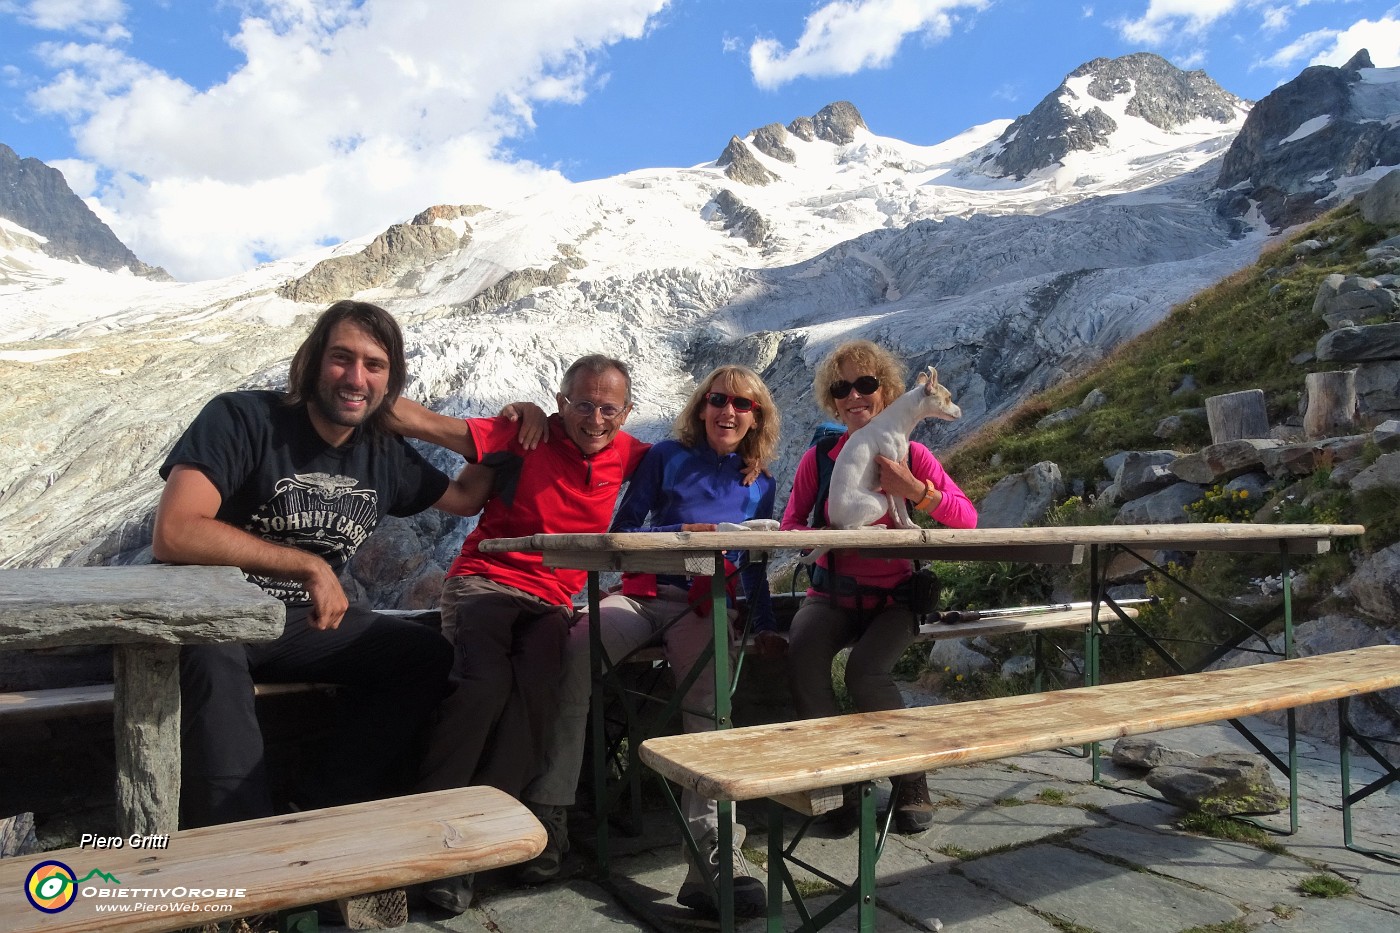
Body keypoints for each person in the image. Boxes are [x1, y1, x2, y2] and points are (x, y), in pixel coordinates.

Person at [154, 300, 506, 829]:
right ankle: (240, 847)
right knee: (210, 658)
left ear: (391, 383)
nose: (355, 377)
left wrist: (463, 430)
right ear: (313, 361)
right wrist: (308, 566)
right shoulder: (243, 418)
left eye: (374, 366)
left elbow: (464, 497)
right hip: (209, 614)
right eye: (342, 358)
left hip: (299, 625)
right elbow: (176, 530)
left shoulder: (381, 452)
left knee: (424, 656)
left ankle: (321, 809)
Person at [519, 364, 781, 917]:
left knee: (709, 707)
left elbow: (754, 564)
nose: (728, 412)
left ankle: (710, 855)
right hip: (643, 594)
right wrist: (691, 539)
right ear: (702, 407)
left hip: (705, 605)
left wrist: (761, 623)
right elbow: (626, 527)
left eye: (742, 404)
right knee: (576, 651)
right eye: (718, 400)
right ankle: (550, 812)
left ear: (756, 415)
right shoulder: (667, 456)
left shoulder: (759, 481)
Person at [392, 354, 650, 915]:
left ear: (627, 413)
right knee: (483, 687)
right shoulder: (525, 433)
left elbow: (691, 455)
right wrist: (341, 394)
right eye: (584, 404)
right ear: (561, 403)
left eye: (609, 408)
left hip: (551, 601)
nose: (596, 419)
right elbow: (423, 422)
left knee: (537, 700)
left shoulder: (629, 454)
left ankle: (479, 842)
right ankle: (430, 832)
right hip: (486, 580)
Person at [779, 339, 977, 835]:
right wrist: (830, 537)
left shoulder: (913, 453)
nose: (854, 396)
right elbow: (789, 526)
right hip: (832, 594)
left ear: (888, 391)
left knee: (867, 674)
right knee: (802, 653)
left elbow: (967, 520)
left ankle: (909, 779)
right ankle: (839, 786)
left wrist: (914, 491)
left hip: (896, 598)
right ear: (833, 398)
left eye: (865, 384)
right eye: (841, 387)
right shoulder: (821, 459)